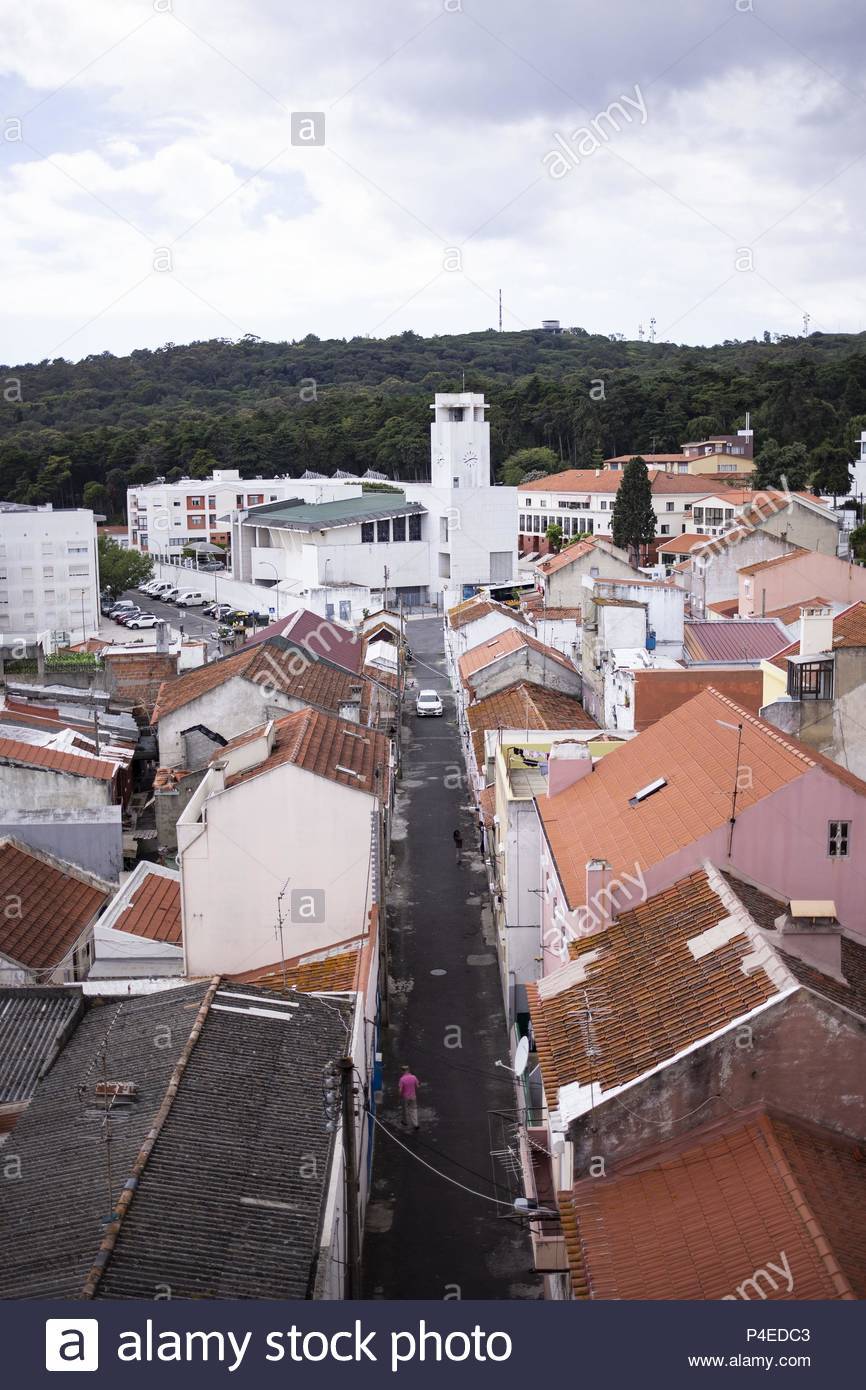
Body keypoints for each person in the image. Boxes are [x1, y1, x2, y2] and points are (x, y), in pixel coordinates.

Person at [398, 1065, 420, 1130]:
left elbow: (400, 1090)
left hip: (405, 1097)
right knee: (414, 1109)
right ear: (408, 1070)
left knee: (405, 1109)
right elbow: (418, 1086)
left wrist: (399, 1095)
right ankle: (416, 1124)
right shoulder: (414, 1077)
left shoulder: (402, 1079)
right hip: (413, 1096)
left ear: (402, 1071)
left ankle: (405, 1122)